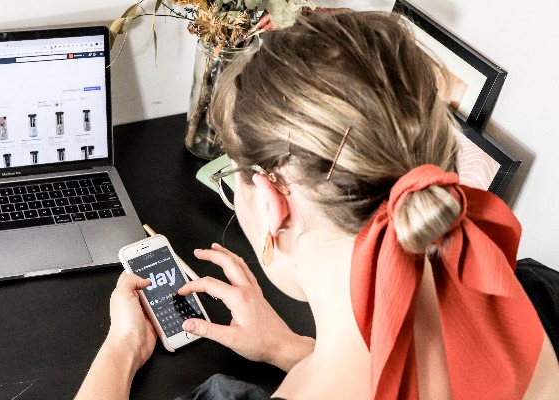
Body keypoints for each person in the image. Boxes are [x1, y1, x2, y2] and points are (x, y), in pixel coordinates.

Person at [75, 10, 559, 399]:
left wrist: (123, 346)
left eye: (233, 177)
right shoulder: (518, 297)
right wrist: (291, 348)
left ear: (272, 202)